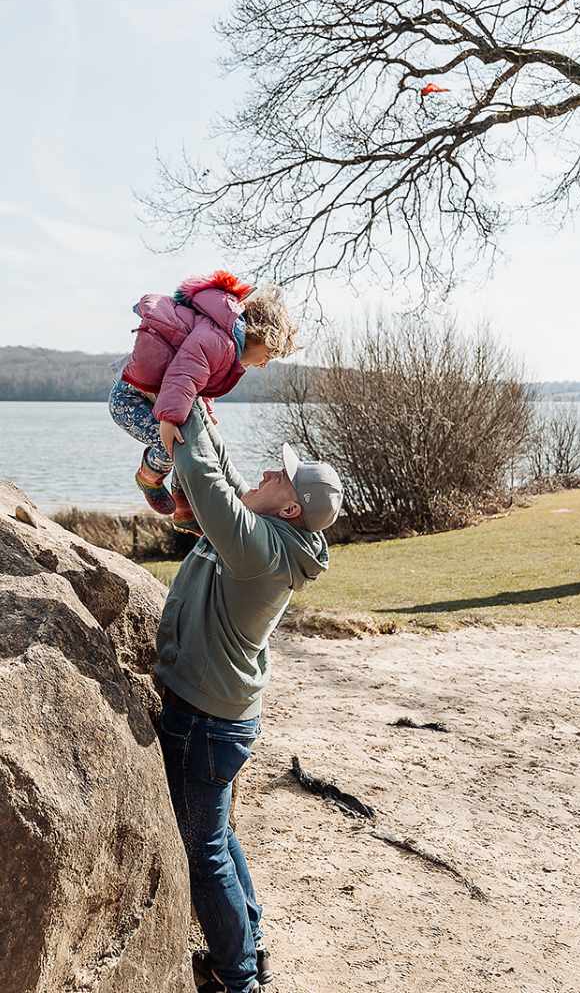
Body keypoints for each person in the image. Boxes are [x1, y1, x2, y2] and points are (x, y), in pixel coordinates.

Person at [154, 399, 344, 993]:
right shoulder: (269, 532)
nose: (267, 473)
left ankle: (235, 978)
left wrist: (177, 414)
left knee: (203, 847)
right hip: (222, 714)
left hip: (206, 720)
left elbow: (209, 485)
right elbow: (229, 476)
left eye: (280, 475)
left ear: (290, 506)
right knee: (220, 835)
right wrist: (203, 421)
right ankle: (251, 947)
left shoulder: (258, 549)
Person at [108, 271, 297, 536]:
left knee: (190, 443)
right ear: (259, 336)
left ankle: (184, 505)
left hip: (153, 399)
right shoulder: (220, 341)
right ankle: (150, 479)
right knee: (173, 444)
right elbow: (184, 372)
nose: (265, 364)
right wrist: (170, 418)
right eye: (268, 355)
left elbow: (199, 382)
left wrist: (206, 411)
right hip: (131, 399)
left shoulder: (224, 341)